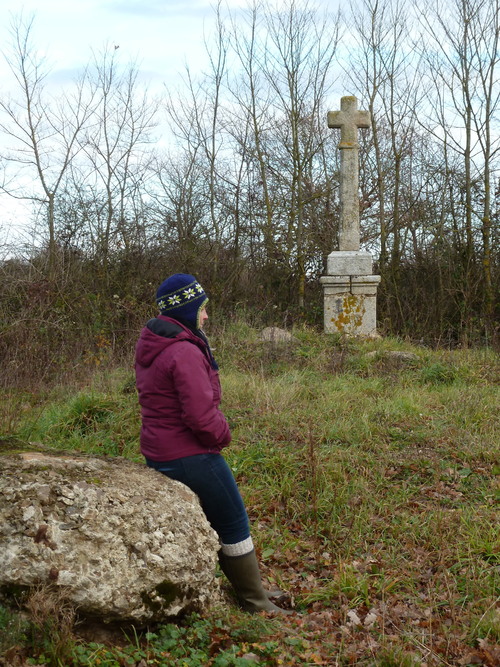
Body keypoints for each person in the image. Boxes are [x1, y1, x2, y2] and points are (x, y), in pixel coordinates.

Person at [135, 273, 290, 614]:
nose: (206, 316)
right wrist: (224, 434)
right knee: (233, 520)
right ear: (187, 310)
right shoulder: (183, 351)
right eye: (202, 309)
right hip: (189, 454)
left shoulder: (154, 340)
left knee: (218, 518)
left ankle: (251, 588)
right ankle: (254, 601)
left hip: (160, 451)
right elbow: (200, 415)